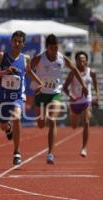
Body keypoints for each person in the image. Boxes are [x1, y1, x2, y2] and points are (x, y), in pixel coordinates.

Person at [31, 34, 88, 164]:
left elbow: (74, 70)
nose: (54, 51)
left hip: (55, 93)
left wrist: (84, 85)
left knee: (52, 119)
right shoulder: (40, 58)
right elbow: (28, 69)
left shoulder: (62, 59)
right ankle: (42, 118)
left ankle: (50, 153)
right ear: (47, 48)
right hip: (40, 94)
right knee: (41, 124)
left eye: (56, 48)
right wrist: (36, 82)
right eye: (51, 48)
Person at [0, 30, 43, 165]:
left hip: (18, 96)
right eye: (15, 41)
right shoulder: (2, 56)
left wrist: (39, 83)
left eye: (20, 42)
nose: (17, 44)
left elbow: (29, 72)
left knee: (16, 117)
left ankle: (17, 152)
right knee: (3, 124)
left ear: (23, 44)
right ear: (11, 41)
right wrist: (5, 71)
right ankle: (8, 128)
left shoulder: (25, 58)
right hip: (3, 95)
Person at [63, 51, 99, 157]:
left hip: (86, 100)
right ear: (76, 61)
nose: (82, 61)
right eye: (79, 60)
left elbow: (95, 84)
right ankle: (74, 116)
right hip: (75, 102)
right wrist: (70, 95)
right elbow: (65, 88)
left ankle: (84, 148)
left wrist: (97, 95)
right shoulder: (72, 73)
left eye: (83, 60)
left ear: (86, 61)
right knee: (74, 126)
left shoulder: (91, 72)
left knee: (86, 122)